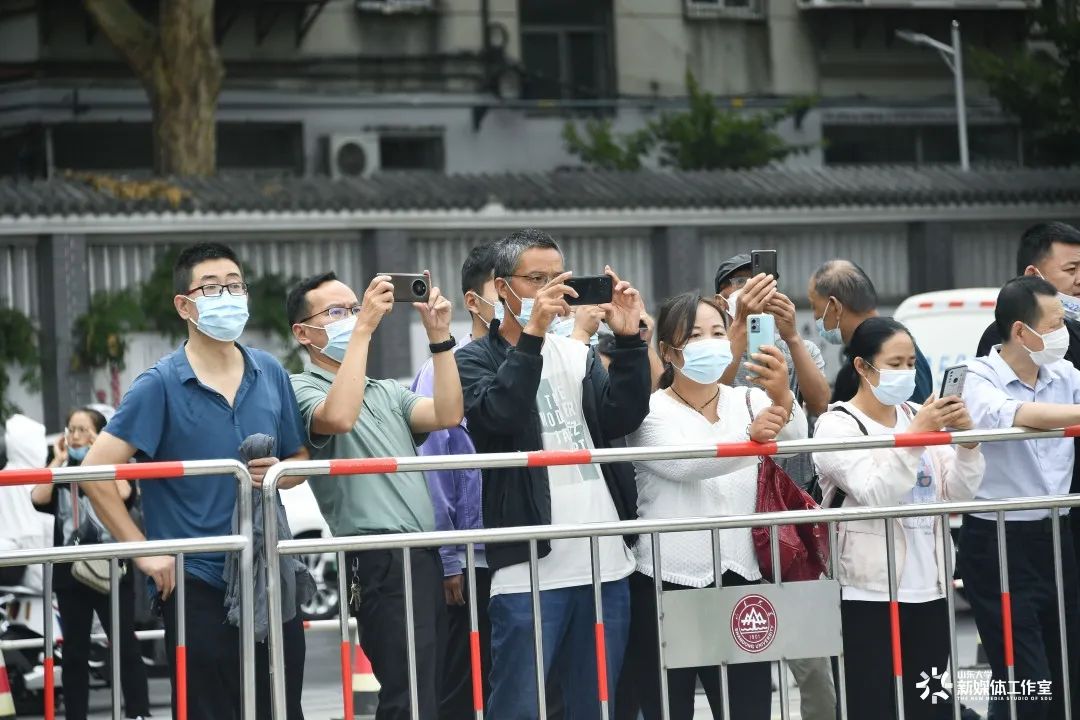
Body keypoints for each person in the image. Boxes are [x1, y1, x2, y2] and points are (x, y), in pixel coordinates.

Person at [79, 242, 310, 720]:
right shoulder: (159, 384)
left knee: (281, 707)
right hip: (197, 579)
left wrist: (281, 474)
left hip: (269, 571)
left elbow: (298, 455)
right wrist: (144, 553)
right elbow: (95, 473)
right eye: (212, 287)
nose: (228, 295)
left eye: (235, 285)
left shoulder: (269, 371)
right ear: (185, 304)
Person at [455, 228, 651, 720]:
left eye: (556, 278)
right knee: (518, 705)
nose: (549, 291)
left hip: (605, 558)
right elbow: (497, 416)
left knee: (598, 705)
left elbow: (621, 417)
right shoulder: (472, 359)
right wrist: (534, 336)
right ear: (502, 288)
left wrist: (628, 342)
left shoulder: (580, 352)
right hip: (528, 566)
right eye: (535, 279)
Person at [623, 292, 807, 720]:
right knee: (669, 707)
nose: (710, 342)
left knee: (749, 707)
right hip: (666, 582)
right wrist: (752, 441)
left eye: (718, 332)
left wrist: (782, 396)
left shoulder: (747, 398)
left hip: (741, 579)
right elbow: (686, 464)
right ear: (668, 351)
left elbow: (795, 440)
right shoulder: (649, 411)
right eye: (694, 336)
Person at [287, 269, 462, 720]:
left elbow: (447, 412)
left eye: (355, 307)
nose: (353, 316)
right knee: (406, 688)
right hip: (377, 555)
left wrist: (440, 338)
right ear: (303, 333)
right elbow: (339, 418)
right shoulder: (301, 387)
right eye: (338, 311)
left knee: (426, 684)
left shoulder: (384, 390)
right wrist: (363, 327)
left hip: (420, 551)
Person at [813, 317, 984, 720]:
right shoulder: (837, 425)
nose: (906, 373)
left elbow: (958, 493)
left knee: (930, 706)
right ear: (862, 367)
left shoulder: (915, 414)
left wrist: (969, 443)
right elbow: (875, 492)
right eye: (895, 363)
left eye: (911, 363)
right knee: (874, 706)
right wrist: (915, 439)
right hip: (867, 593)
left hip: (930, 588)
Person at [714, 256, 836, 718]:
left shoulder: (796, 342)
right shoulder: (714, 342)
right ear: (724, 293)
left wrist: (788, 337)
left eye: (763, 283)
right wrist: (737, 328)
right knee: (744, 651)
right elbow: (711, 386)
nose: (753, 290)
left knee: (812, 659)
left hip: (789, 511)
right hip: (736, 513)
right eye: (741, 284)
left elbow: (821, 401)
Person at [960, 275, 1080, 720]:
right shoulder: (977, 376)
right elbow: (1021, 416)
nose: (1061, 333)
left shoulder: (1063, 373)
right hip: (998, 540)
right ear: (1020, 331)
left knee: (1060, 659)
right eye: (1053, 325)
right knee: (1024, 669)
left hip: (1055, 535)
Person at [408, 244, 498, 717]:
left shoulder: (538, 360)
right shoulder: (443, 369)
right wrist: (449, 558)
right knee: (463, 686)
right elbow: (435, 469)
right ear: (473, 300)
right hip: (472, 558)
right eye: (501, 287)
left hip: (525, 549)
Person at [31, 408, 151, 720]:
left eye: (83, 430)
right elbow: (38, 497)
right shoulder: (63, 470)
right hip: (70, 574)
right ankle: (76, 715)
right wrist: (57, 460)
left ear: (98, 433)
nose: (74, 436)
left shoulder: (114, 467)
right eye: (71, 429)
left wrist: (102, 453)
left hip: (111, 569)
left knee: (125, 645)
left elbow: (126, 495)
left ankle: (138, 712)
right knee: (73, 651)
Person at [975, 222, 1080, 565]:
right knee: (1017, 618)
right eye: (1071, 269)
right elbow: (1019, 413)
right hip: (1005, 525)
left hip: (1058, 519)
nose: (1079, 279)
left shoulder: (1061, 368)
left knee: (1063, 616)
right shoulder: (986, 364)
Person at [809, 259, 933, 403]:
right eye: (895, 364)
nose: (815, 316)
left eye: (814, 306)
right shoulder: (912, 354)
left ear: (834, 306)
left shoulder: (881, 359)